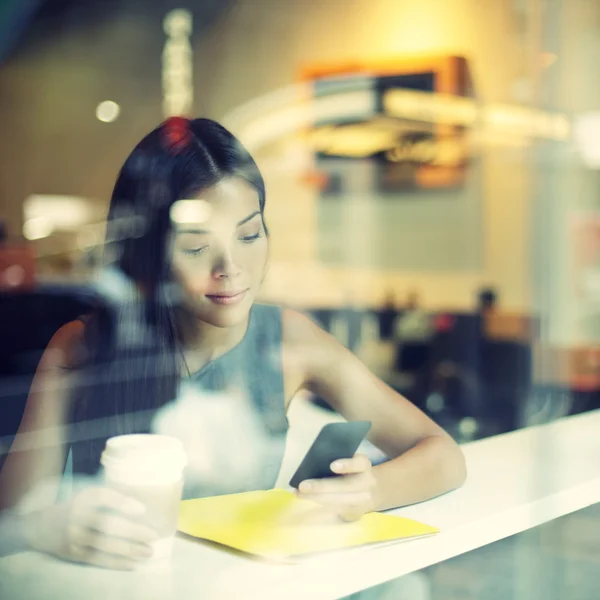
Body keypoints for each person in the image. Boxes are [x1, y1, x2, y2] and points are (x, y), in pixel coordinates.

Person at [0, 117, 466, 570]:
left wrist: (371, 490)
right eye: (197, 247)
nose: (231, 267)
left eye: (249, 234)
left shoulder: (290, 339)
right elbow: (13, 519)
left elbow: (442, 454)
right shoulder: (81, 347)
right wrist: (51, 527)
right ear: (149, 253)